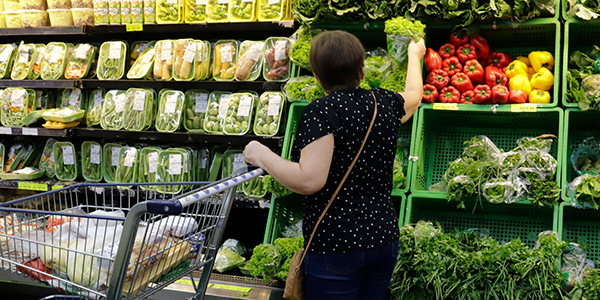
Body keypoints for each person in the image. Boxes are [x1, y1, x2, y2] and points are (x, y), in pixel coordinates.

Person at [243, 30, 425, 299]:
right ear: (362, 71)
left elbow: (309, 180)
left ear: (317, 76)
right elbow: (414, 95)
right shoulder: (383, 102)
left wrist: (261, 155)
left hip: (336, 246)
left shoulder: (321, 111)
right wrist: (414, 55)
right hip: (383, 239)